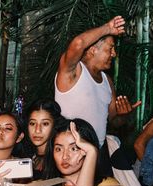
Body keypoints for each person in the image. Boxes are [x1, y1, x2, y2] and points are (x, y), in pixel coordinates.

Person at [55, 16, 141, 174]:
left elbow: (114, 122)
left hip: (98, 154)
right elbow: (78, 43)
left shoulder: (107, 81)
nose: (114, 54)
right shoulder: (72, 71)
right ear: (93, 50)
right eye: (110, 48)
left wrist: (124, 115)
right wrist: (107, 28)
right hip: (69, 153)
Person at [24, 99, 63, 178]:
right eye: (32, 123)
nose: (37, 130)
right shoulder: (25, 156)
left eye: (45, 123)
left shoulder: (61, 158)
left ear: (54, 125)